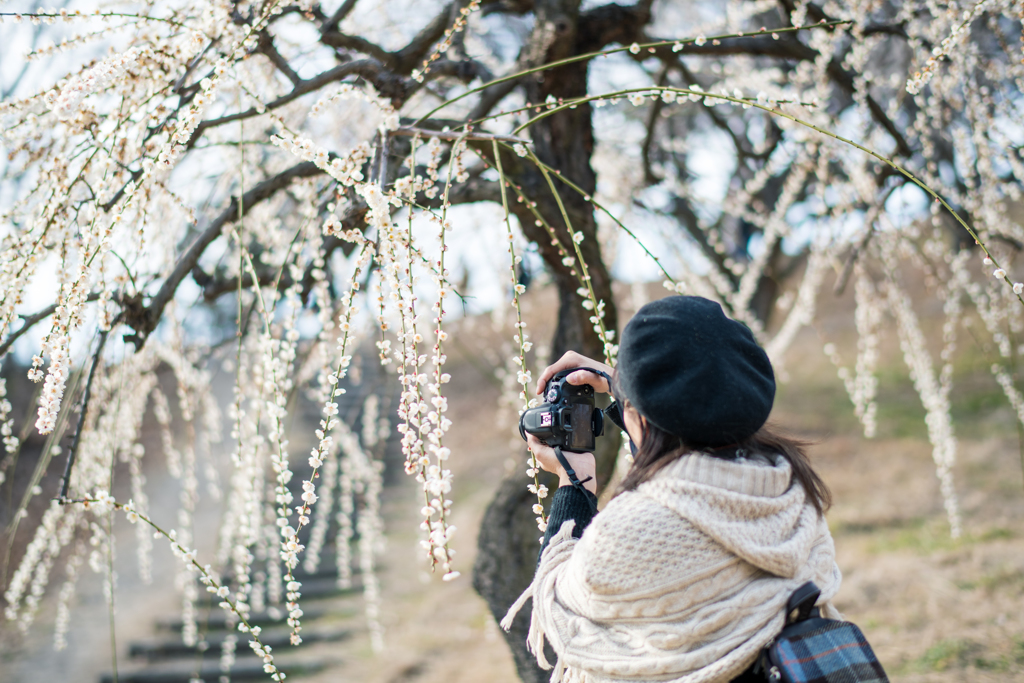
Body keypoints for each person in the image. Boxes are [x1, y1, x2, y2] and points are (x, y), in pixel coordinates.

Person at [501, 295, 842, 683]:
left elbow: (560, 613)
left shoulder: (633, 533)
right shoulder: (789, 491)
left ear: (640, 420)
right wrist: (630, 393)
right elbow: (683, 452)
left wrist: (574, 482)